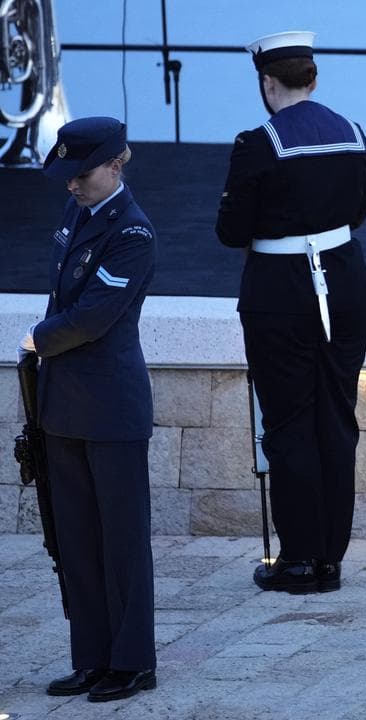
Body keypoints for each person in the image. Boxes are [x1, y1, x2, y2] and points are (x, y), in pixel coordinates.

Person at [216, 31, 366, 594]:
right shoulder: (352, 133)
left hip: (282, 292)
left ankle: (300, 559)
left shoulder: (258, 142)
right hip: (345, 282)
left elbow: (231, 229)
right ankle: (331, 556)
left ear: (267, 82)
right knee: (335, 416)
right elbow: (358, 211)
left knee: (287, 423)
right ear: (313, 78)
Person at [20, 117, 158, 702]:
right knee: (76, 538)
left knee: (121, 541)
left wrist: (36, 339)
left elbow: (93, 315)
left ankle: (131, 662)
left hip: (110, 407)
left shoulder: (132, 233)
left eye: (81, 175)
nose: (70, 186)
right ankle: (92, 657)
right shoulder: (80, 213)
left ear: (115, 166)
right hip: (65, 408)